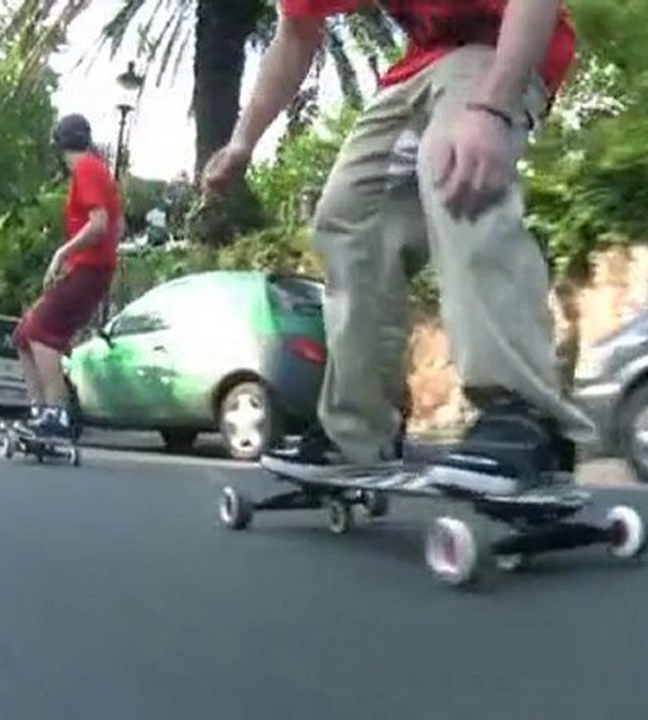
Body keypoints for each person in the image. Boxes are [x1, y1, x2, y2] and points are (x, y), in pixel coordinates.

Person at [202, 0, 596, 492]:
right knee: (348, 216)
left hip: (502, 46)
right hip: (419, 66)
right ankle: (358, 432)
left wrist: (494, 107)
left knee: (455, 164)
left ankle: (526, 417)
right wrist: (242, 142)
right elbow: (296, 34)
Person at [12, 114, 123, 438]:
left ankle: (56, 414)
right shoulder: (99, 171)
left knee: (40, 333)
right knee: (22, 335)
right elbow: (118, 226)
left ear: (58, 147)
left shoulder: (87, 169)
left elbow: (100, 223)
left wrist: (63, 253)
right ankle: (40, 410)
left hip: (90, 268)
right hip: (90, 268)